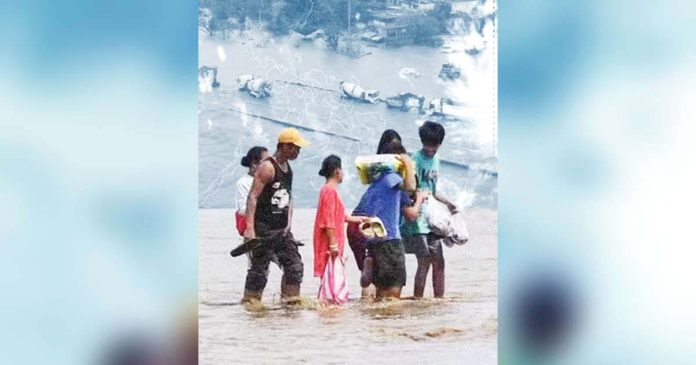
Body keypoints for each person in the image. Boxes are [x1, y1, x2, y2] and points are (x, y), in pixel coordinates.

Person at [242, 128, 309, 304]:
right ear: (286, 147)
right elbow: (253, 197)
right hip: (263, 229)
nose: (298, 152)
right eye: (296, 148)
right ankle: (251, 306)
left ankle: (290, 305)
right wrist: (249, 229)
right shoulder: (268, 167)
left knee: (294, 268)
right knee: (259, 272)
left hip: (282, 230)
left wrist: (289, 223)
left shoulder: (288, 169)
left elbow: (289, 197)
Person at [353, 140, 416, 300]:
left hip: (375, 242)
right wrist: (408, 164)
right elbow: (410, 187)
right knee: (394, 293)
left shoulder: (375, 183)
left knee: (381, 294)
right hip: (391, 241)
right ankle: (390, 325)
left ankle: (379, 323)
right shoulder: (391, 177)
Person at [401, 121, 456, 298]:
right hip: (419, 219)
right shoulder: (415, 160)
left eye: (434, 147)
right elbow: (410, 188)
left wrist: (448, 203)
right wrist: (418, 198)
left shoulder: (437, 160)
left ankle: (439, 300)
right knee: (424, 262)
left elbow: (432, 189)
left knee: (439, 262)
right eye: (428, 146)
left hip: (433, 217)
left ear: (440, 144)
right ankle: (418, 300)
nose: (431, 150)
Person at [313, 155, 369, 278]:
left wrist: (357, 219)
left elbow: (338, 214)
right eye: (342, 170)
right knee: (331, 277)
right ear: (337, 171)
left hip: (334, 239)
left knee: (332, 276)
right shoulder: (329, 191)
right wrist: (333, 245)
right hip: (330, 241)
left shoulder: (329, 190)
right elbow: (328, 220)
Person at [235, 146, 268, 237]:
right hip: (254, 225)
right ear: (252, 164)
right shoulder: (243, 183)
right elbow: (242, 209)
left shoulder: (267, 179)